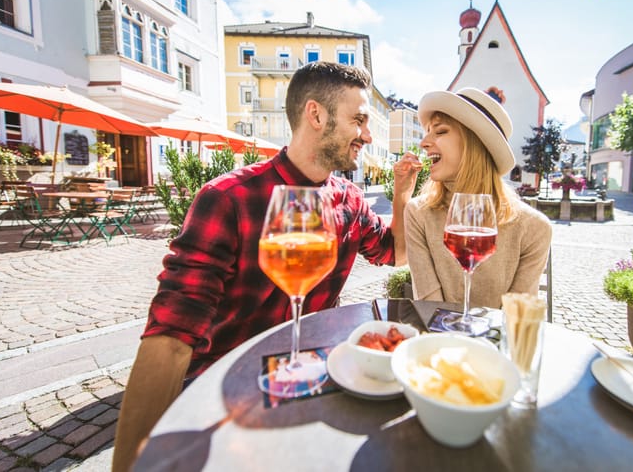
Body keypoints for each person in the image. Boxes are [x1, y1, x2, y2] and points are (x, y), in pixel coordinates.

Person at [112, 62, 421, 471]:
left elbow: (393, 253)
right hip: (229, 388)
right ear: (316, 115)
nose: (367, 134)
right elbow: (170, 338)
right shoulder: (228, 198)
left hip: (315, 377)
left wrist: (402, 194)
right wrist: (131, 464)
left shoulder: (348, 198)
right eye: (359, 120)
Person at [404, 87, 552, 309]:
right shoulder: (418, 213)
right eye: (427, 131)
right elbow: (430, 309)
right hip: (438, 340)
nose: (423, 142)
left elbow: (515, 318)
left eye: (440, 131)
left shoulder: (534, 228)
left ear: (476, 144)